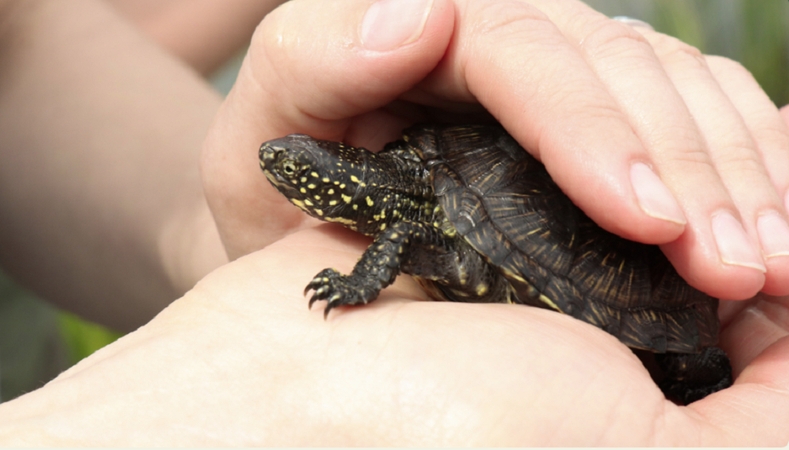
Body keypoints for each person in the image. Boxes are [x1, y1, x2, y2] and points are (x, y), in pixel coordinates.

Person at [0, 0, 787, 445]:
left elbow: (19, 51)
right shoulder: (409, 223)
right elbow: (403, 236)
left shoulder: (409, 197)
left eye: (295, 175)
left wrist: (227, 237)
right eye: (289, 175)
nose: (278, 168)